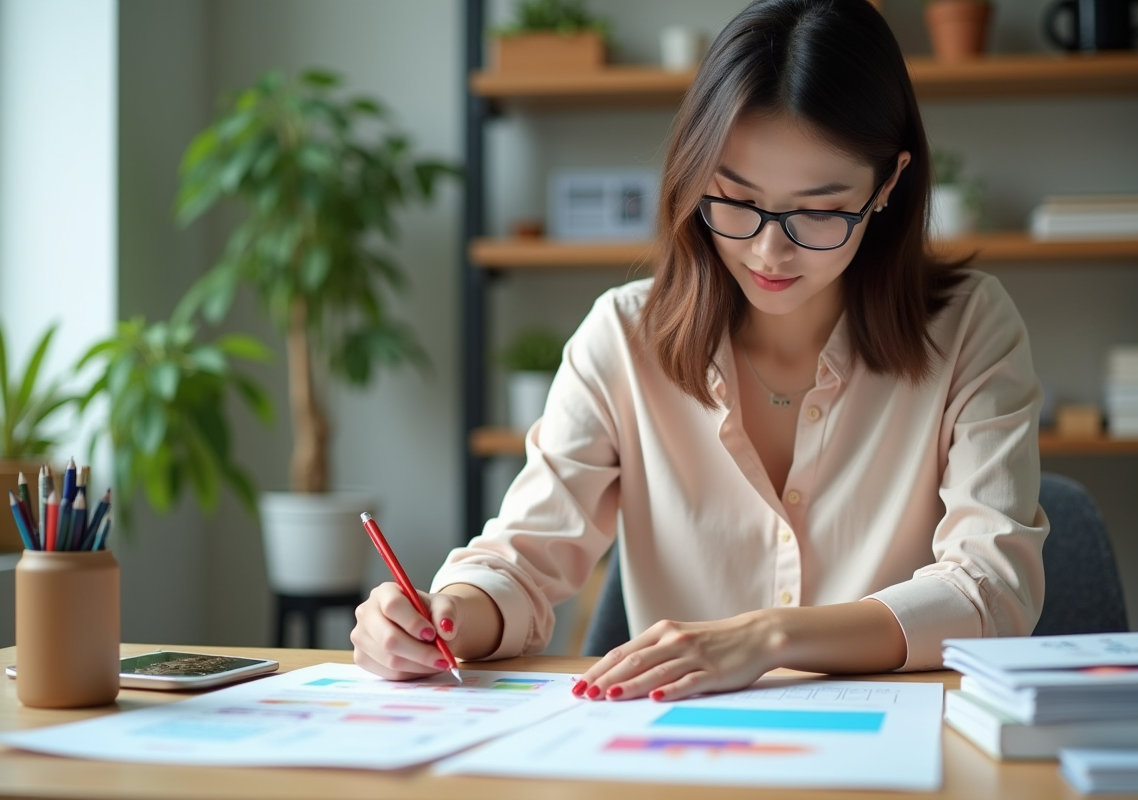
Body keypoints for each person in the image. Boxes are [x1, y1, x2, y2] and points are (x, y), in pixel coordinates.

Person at [351, 0, 1048, 702]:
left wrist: (770, 637)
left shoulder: (968, 328)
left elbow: (992, 588)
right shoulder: (622, 338)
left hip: (899, 749)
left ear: (888, 185)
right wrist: (446, 615)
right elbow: (523, 559)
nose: (769, 250)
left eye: (818, 211)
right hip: (679, 750)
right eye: (735, 200)